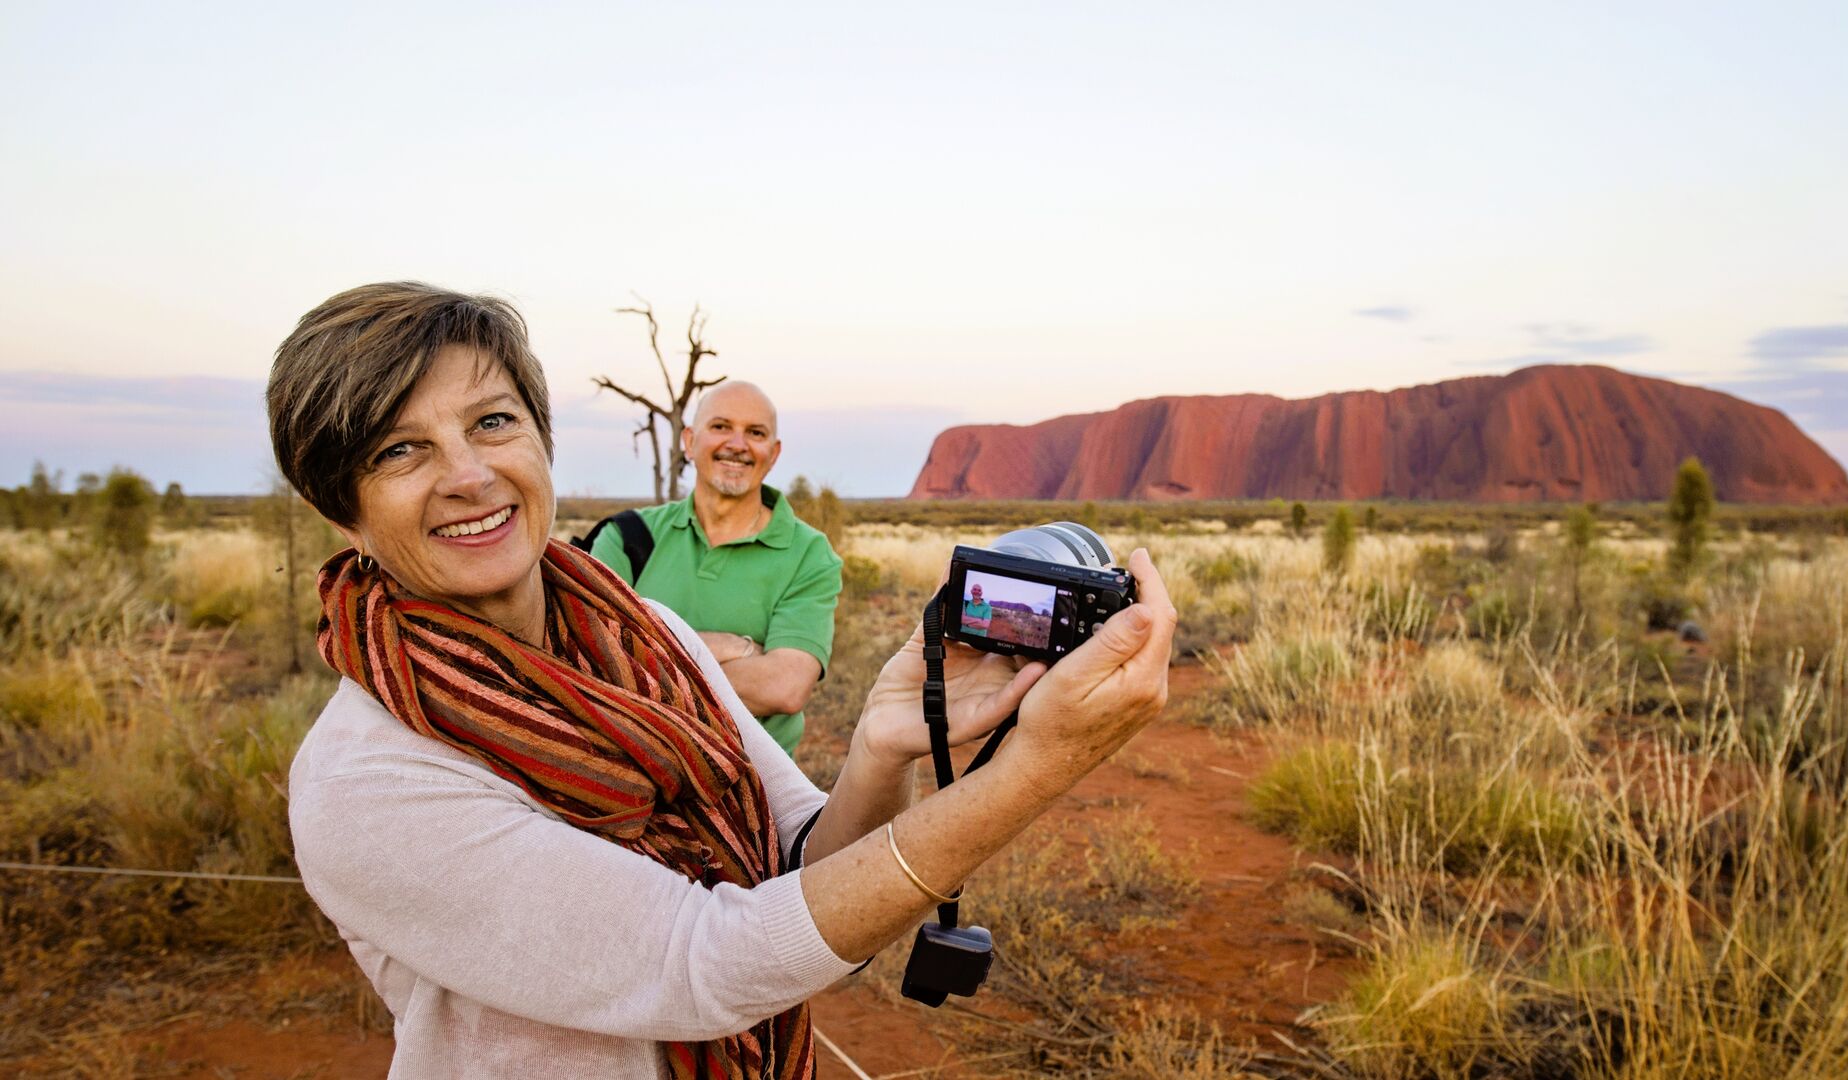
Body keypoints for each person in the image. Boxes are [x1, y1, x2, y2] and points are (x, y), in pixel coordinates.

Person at [268, 282, 1176, 1079]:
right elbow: (710, 965)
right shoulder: (366, 779)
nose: (468, 475)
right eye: (399, 450)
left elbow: (802, 874)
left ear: (541, 439)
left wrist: (882, 741)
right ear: (344, 512)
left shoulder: (648, 635)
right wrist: (1033, 771)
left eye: (492, 422)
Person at [587, 381, 836, 756]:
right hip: (630, 769)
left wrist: (644, 656)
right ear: (689, 441)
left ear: (773, 453)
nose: (737, 444)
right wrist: (735, 649)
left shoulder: (809, 553)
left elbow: (784, 687)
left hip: (754, 780)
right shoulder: (626, 537)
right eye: (721, 426)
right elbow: (593, 658)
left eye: (755, 433)